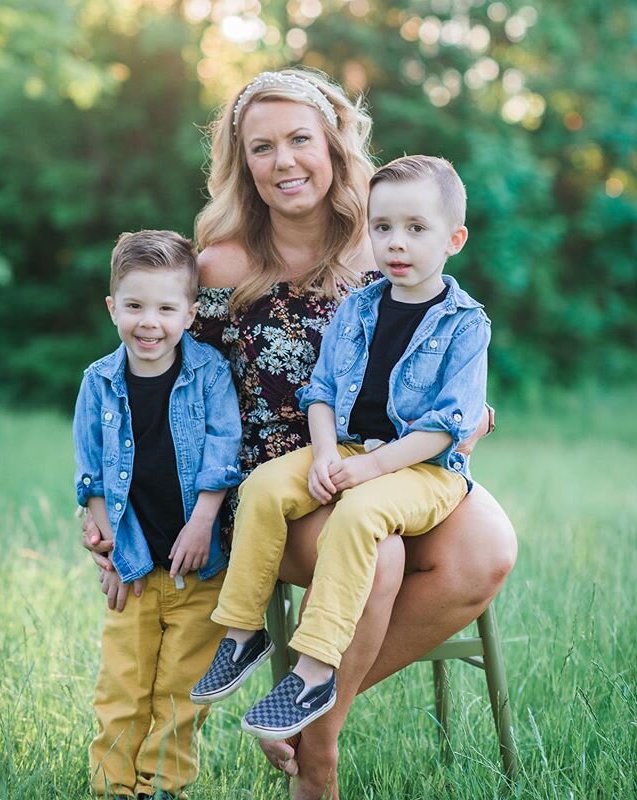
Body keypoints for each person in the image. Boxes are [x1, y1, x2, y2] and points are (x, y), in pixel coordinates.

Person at [84, 69, 517, 800]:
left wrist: (466, 419)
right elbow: (154, 391)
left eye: (298, 140)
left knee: (487, 549)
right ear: (241, 162)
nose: (283, 161)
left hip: (389, 461)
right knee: (374, 555)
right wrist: (107, 506)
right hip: (275, 483)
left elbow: (442, 353)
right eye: (261, 147)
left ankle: (307, 718)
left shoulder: (387, 242)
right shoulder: (217, 266)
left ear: (334, 144)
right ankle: (319, 767)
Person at [190, 154, 490, 744]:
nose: (395, 244)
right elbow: (321, 391)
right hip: (350, 448)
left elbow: (448, 426)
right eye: (383, 229)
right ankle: (242, 631)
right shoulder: (359, 305)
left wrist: (372, 470)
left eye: (416, 229)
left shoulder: (465, 323)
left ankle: (316, 668)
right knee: (266, 486)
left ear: (453, 239)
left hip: (422, 469)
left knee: (357, 515)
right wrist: (326, 454)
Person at [73, 230, 242, 800]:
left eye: (167, 308)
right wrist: (110, 552)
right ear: (111, 307)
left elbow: (224, 450)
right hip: (135, 570)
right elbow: (92, 475)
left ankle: (164, 786)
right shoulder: (98, 383)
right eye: (135, 305)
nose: (150, 322)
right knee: (122, 687)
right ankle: (114, 786)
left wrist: (203, 520)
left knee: (180, 690)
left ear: (191, 313)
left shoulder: (210, 373)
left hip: (200, 568)